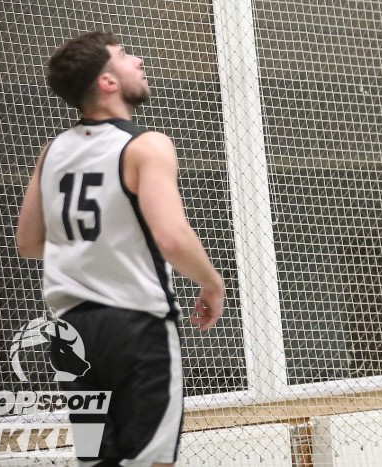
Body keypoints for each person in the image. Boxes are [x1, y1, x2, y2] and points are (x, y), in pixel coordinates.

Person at [16, 31, 226, 466]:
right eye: (126, 55)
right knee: (151, 461)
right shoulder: (145, 145)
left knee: (99, 460)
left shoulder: (52, 151)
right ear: (108, 81)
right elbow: (172, 238)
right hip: (137, 326)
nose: (139, 60)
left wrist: (93, 250)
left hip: (71, 335)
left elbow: (29, 242)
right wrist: (212, 283)